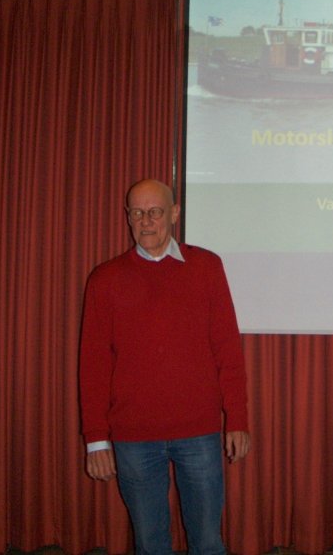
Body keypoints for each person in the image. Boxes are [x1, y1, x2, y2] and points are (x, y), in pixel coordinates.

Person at [79, 178, 250, 555]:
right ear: (128, 217)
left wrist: (237, 417)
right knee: (150, 545)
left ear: (174, 213)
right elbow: (93, 365)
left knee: (208, 543)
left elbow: (227, 348)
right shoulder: (105, 279)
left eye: (154, 212)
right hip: (133, 437)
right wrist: (96, 439)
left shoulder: (207, 267)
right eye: (137, 213)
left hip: (199, 432)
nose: (145, 221)